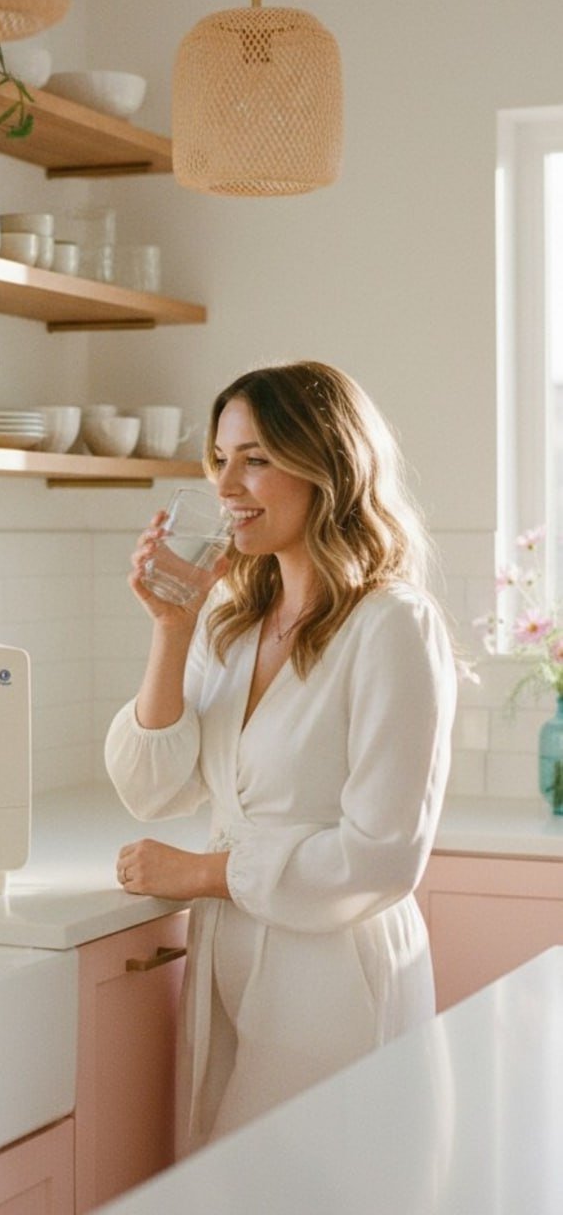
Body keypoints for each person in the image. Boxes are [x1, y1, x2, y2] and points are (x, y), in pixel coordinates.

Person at [104, 360, 457, 1157]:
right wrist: (171, 628)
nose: (227, 484)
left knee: (320, 1184)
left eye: (256, 458)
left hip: (331, 973)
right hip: (231, 963)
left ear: (326, 467)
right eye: (219, 458)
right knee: (227, 1182)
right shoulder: (232, 622)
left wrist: (204, 874)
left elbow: (382, 857)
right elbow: (150, 789)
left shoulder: (390, 625)